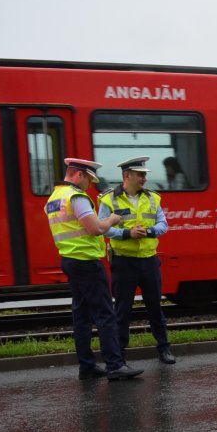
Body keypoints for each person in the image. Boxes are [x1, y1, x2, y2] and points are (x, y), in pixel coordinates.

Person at [44, 158, 142, 381]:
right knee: (105, 313)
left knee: (82, 315)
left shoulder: (54, 198)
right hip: (86, 261)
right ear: (79, 175)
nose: (90, 185)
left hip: (69, 259)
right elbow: (96, 228)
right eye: (89, 179)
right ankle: (115, 365)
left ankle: (86, 366)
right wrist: (112, 219)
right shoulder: (76, 197)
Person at [99, 156, 176, 365]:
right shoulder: (108, 200)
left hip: (149, 260)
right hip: (124, 262)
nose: (144, 178)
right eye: (140, 175)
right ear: (127, 176)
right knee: (122, 311)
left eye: (145, 175)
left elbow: (163, 225)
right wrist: (127, 234)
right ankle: (119, 355)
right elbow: (102, 227)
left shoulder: (153, 198)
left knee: (155, 308)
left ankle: (164, 348)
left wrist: (149, 231)